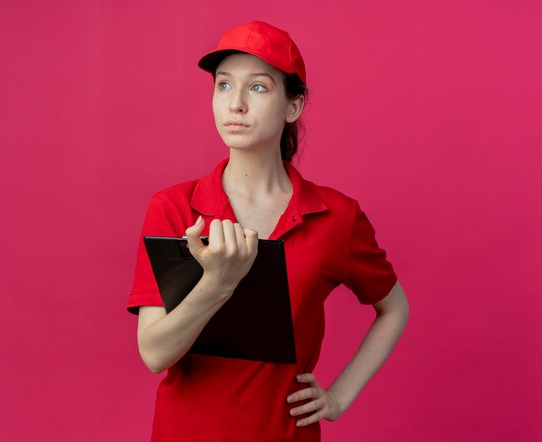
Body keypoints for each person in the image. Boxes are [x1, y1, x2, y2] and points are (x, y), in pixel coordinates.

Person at [127, 20, 409, 441]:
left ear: (293, 106)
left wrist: (339, 397)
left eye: (257, 87)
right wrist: (219, 283)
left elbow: (394, 308)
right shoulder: (173, 209)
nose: (235, 104)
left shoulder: (336, 216)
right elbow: (154, 353)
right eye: (224, 85)